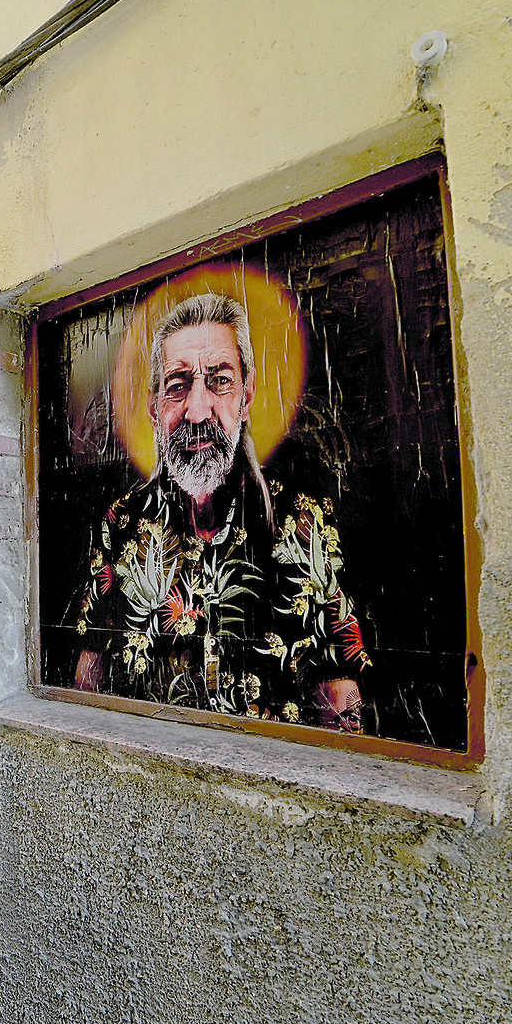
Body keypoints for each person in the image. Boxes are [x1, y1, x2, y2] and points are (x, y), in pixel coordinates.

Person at [71, 293, 370, 732]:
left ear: (246, 397)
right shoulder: (122, 525)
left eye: (219, 381)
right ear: (154, 409)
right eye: (177, 385)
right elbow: (87, 681)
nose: (197, 410)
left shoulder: (301, 524)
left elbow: (341, 696)